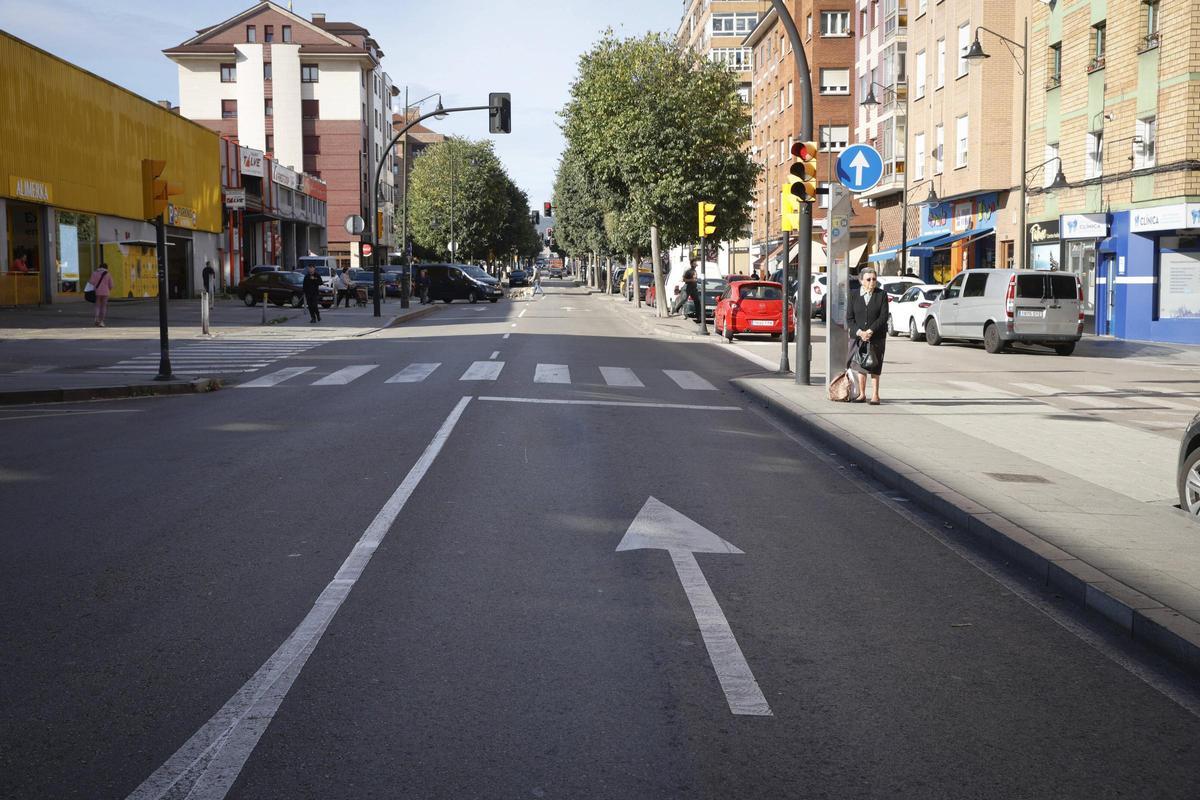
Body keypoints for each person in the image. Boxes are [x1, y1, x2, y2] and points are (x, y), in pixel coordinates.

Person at [845, 267, 889, 405]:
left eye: (874, 279)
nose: (872, 282)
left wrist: (870, 331)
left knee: (875, 364)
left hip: (876, 336)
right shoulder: (853, 295)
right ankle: (862, 394)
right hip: (858, 336)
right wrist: (860, 333)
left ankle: (875, 395)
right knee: (860, 364)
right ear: (861, 280)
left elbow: (883, 317)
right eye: (868, 279)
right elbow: (849, 318)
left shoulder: (881, 295)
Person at [91, 262, 112, 327]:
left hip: (97, 292)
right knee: (103, 306)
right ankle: (101, 321)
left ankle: (96, 318)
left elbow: (91, 282)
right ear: (106, 268)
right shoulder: (108, 274)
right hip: (106, 292)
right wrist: (108, 289)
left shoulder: (94, 273)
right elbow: (111, 285)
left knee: (97, 306)